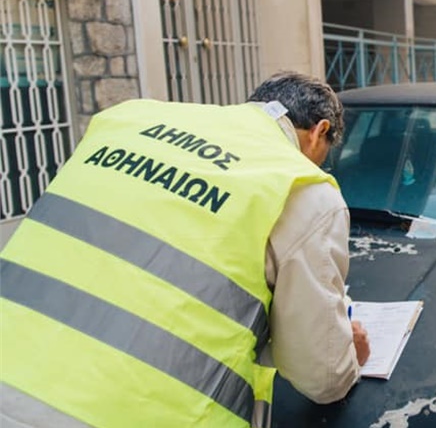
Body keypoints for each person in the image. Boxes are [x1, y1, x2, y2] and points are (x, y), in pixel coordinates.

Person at [0, 72, 370, 427]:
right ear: (319, 131)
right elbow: (321, 379)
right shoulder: (303, 189)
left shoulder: (124, 120)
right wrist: (346, 355)